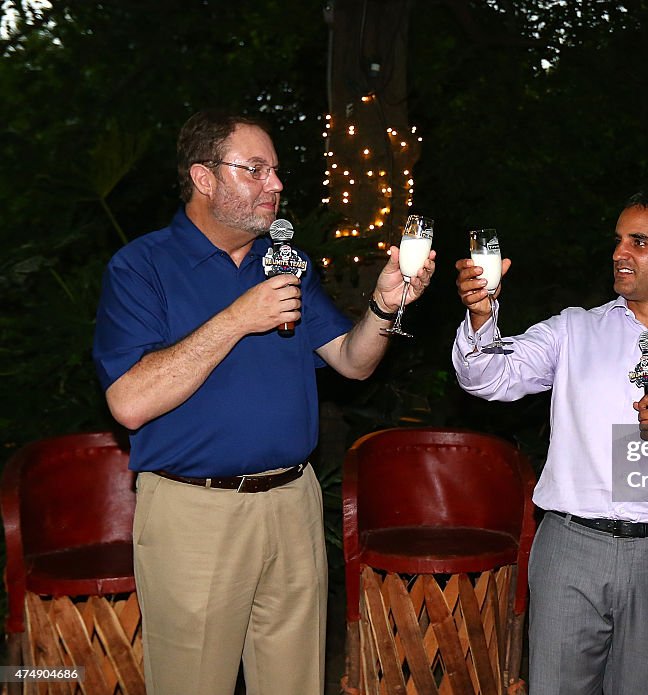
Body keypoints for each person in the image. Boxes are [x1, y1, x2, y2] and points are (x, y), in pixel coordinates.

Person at [92, 109, 435, 695]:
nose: (275, 185)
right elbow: (129, 402)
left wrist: (383, 308)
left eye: (275, 171)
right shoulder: (141, 267)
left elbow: (352, 362)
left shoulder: (286, 263)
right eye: (255, 170)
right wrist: (237, 319)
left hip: (293, 504)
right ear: (204, 179)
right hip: (194, 513)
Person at [451, 188, 648, 695]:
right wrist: (483, 319)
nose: (620, 252)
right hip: (570, 548)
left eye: (639, 242)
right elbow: (488, 378)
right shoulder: (574, 329)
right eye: (618, 240)